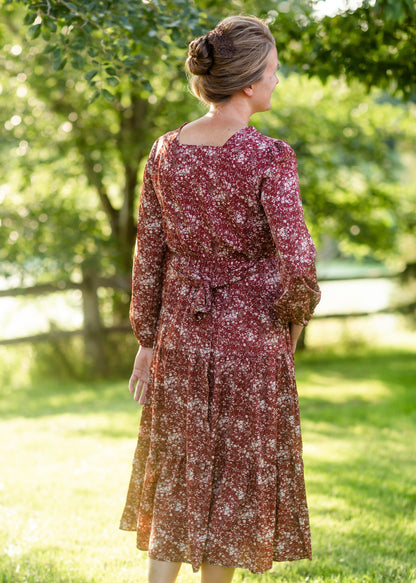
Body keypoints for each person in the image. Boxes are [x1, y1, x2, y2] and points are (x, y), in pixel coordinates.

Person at [120, 15, 321, 583]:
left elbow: (150, 252)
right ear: (250, 83)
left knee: (180, 469)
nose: (278, 81)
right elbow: (298, 260)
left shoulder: (165, 151)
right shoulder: (269, 156)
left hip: (182, 330)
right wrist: (292, 323)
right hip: (250, 337)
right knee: (232, 481)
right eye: (275, 72)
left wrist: (148, 338)